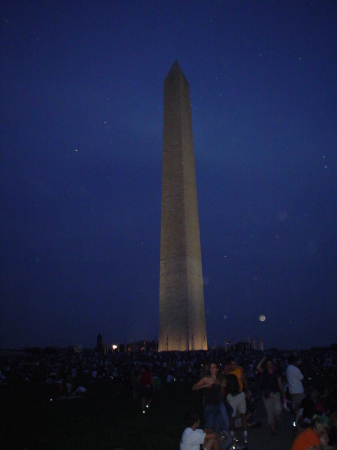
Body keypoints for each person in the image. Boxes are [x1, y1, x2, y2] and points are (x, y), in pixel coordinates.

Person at [192, 362, 227, 432]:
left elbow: (225, 385)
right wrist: (204, 386)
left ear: (217, 369)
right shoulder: (206, 379)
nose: (212, 369)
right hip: (209, 405)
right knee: (209, 427)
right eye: (211, 367)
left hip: (217, 404)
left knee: (217, 427)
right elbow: (194, 387)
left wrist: (222, 386)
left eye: (214, 367)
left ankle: (215, 442)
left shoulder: (219, 379)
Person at [224, 357, 250, 445]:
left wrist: (247, 392)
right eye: (233, 364)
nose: (235, 366)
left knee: (243, 414)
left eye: (235, 364)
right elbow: (225, 374)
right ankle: (232, 436)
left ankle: (245, 435)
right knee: (232, 416)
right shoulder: (227, 372)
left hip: (240, 394)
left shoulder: (239, 370)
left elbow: (244, 380)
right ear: (228, 365)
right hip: (231, 396)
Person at [257, 356, 285, 435]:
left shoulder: (276, 372)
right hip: (267, 394)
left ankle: (276, 420)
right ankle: (273, 430)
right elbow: (258, 367)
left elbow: (280, 384)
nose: (269, 365)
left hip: (275, 393)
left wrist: (284, 394)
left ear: (273, 364)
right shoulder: (264, 371)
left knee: (278, 410)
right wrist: (263, 359)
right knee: (269, 411)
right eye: (268, 364)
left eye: (270, 363)